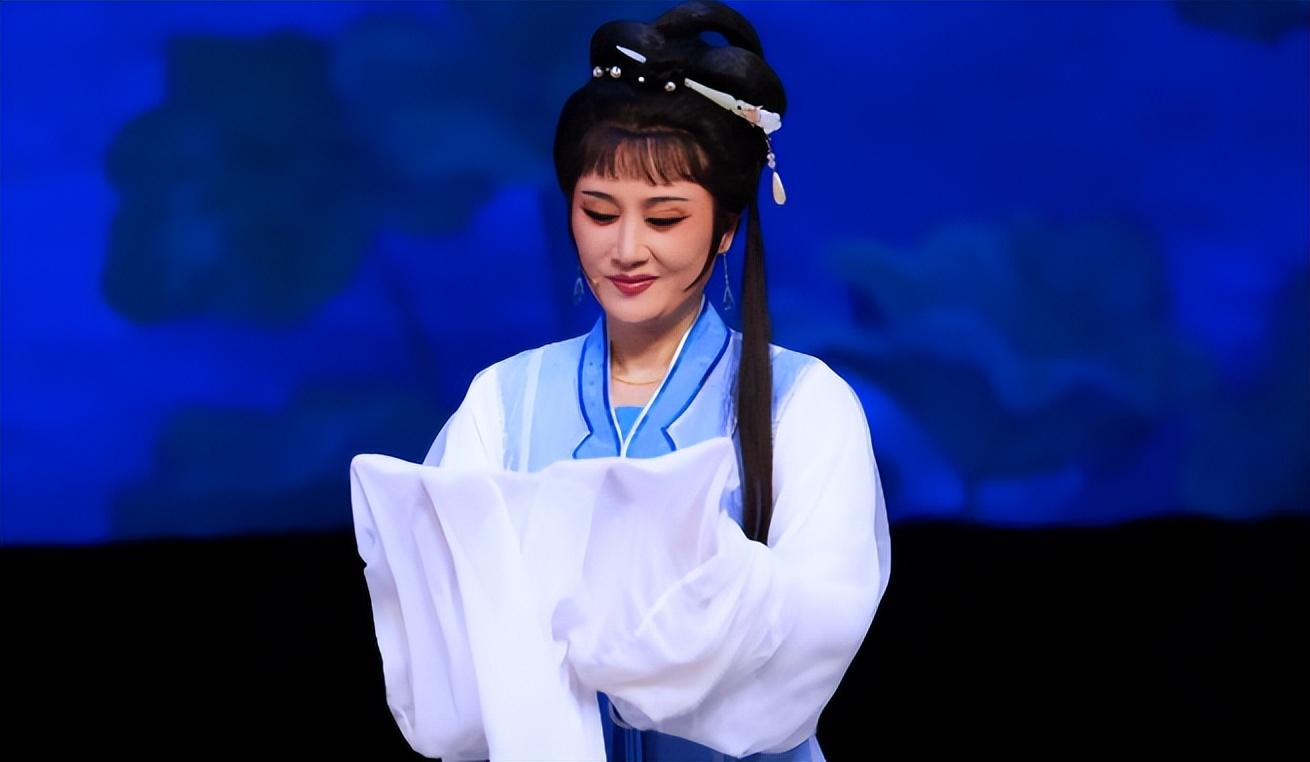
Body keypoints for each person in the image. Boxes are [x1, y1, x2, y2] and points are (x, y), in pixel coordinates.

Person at [349, 2, 891, 760]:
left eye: (664, 219)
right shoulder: (504, 402)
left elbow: (813, 636)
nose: (626, 248)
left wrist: (622, 599)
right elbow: (449, 650)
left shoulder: (804, 404)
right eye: (599, 212)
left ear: (726, 228)